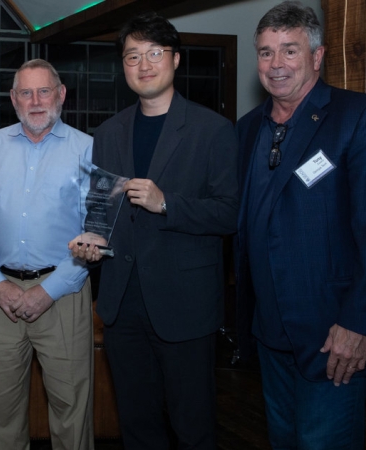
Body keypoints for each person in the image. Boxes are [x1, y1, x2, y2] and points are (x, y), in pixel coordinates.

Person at [234, 2, 366, 448]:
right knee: (283, 439)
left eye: (289, 51)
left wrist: (359, 323)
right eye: (266, 52)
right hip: (270, 334)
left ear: (317, 57)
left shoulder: (359, 117)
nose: (276, 65)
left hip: (334, 336)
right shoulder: (246, 129)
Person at [69, 12, 239, 449]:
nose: (144, 65)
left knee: (193, 427)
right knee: (137, 425)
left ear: (176, 60)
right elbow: (100, 212)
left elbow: (230, 214)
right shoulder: (108, 133)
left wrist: (168, 205)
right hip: (122, 305)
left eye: (155, 53)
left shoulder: (213, 130)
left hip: (185, 305)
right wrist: (93, 240)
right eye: (132, 56)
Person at [0, 59, 94, 450]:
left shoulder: (88, 149)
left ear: (61, 94)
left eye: (44, 91)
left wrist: (48, 290)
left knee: (72, 409)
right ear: (12, 99)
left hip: (64, 292)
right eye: (26, 92)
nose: (36, 101)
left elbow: (96, 233)